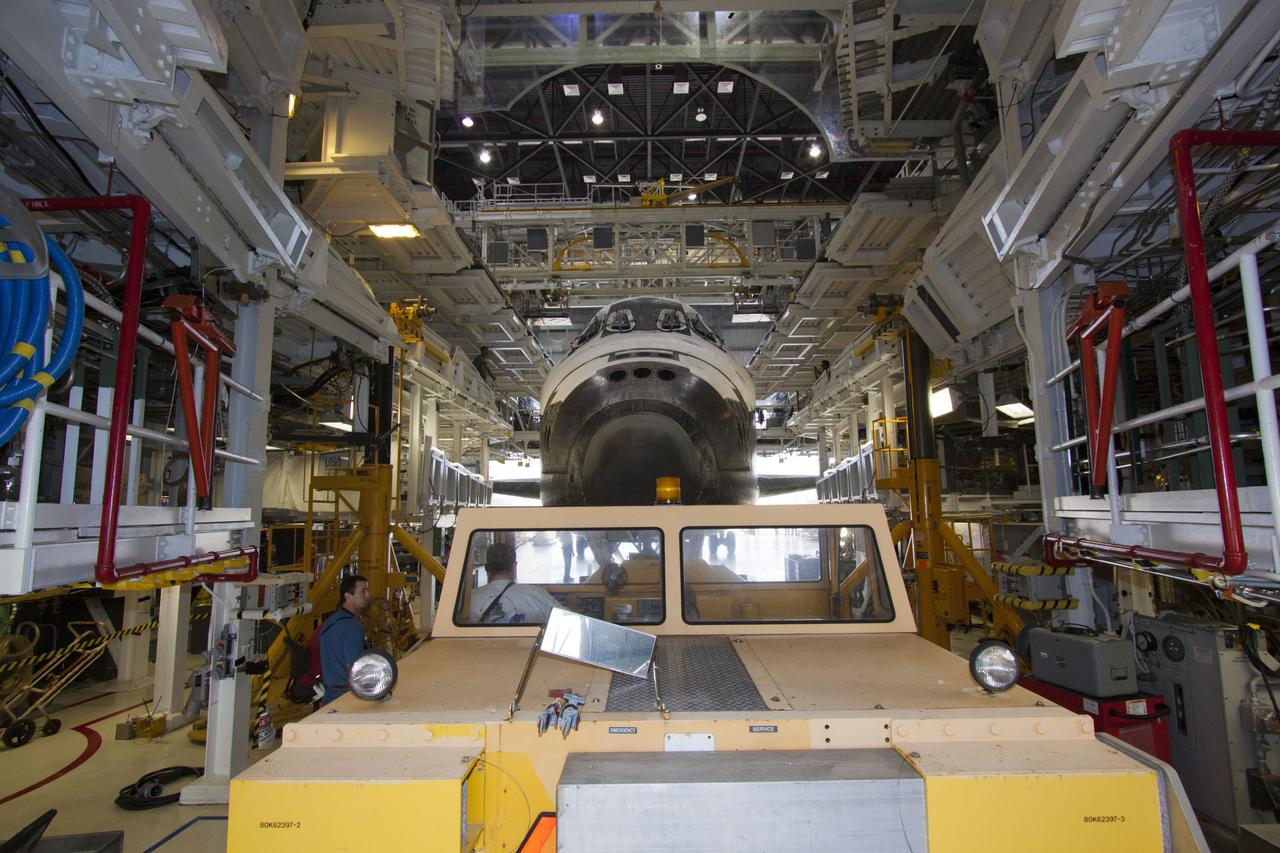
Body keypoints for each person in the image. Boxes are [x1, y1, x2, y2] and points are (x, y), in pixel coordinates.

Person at [469, 542, 559, 624]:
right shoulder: (537, 594)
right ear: (514, 566)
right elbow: (565, 620)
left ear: (486, 568)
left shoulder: (471, 599)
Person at [318, 574, 371, 705]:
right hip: (347, 698)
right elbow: (354, 668)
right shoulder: (352, 627)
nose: (368, 596)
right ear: (348, 596)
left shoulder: (331, 622)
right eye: (363, 591)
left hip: (330, 696)